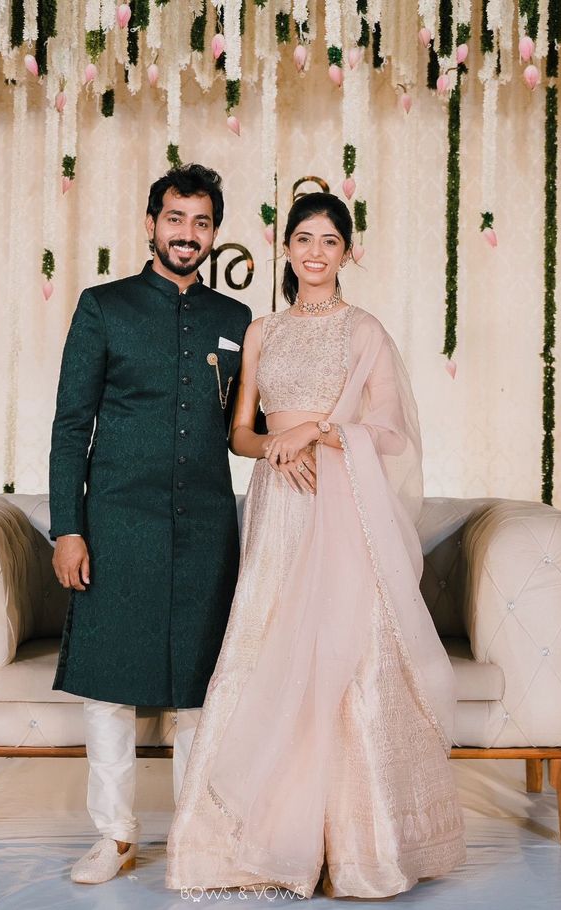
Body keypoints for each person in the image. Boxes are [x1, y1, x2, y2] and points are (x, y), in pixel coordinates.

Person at [166, 193, 466, 899]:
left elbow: (392, 434)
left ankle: (355, 848)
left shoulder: (365, 333)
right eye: (304, 238)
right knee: (267, 651)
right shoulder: (262, 331)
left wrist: (322, 435)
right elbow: (239, 433)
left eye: (329, 241)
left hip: (344, 506)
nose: (315, 253)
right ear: (288, 249)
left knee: (347, 659)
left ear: (347, 251)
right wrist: (277, 444)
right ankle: (253, 846)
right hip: (281, 509)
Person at [49, 164, 252, 884]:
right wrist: (67, 529)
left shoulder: (236, 322)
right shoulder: (103, 307)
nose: (186, 234)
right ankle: (116, 837)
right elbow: (71, 426)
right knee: (109, 686)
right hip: (116, 521)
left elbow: (246, 428)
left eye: (200, 222)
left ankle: (197, 835)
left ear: (214, 232)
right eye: (174, 219)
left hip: (203, 526)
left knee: (200, 684)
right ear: (150, 224)